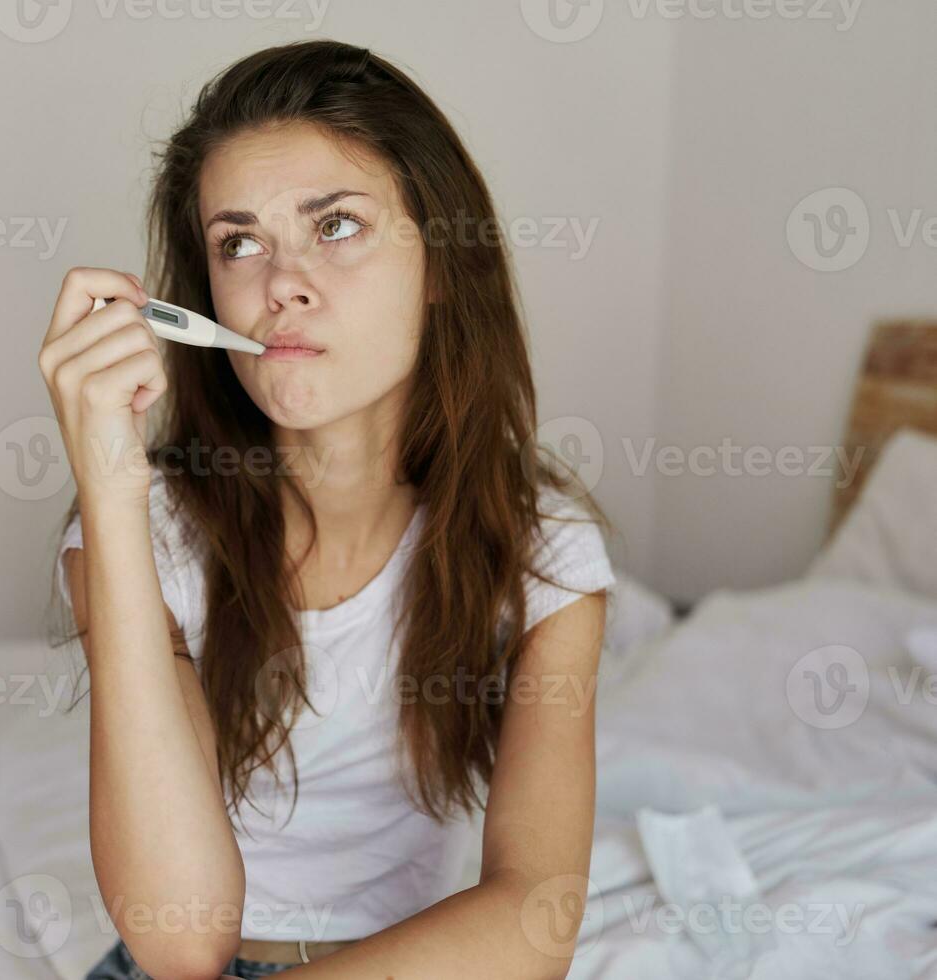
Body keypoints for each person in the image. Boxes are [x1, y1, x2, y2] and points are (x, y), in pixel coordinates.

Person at [38, 39, 617, 980]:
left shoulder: (543, 548)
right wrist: (108, 488)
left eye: (335, 225)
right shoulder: (150, 536)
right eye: (238, 243)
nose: (279, 285)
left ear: (439, 259)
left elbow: (535, 917)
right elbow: (181, 939)